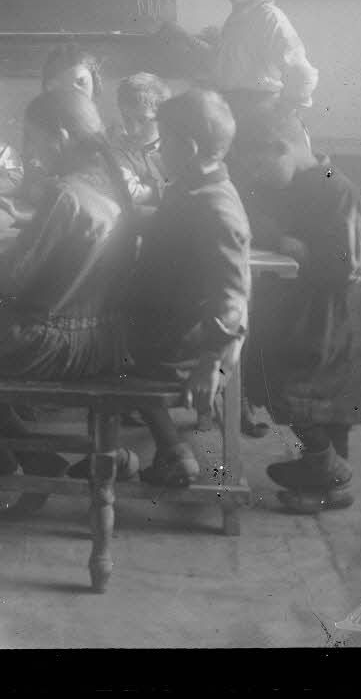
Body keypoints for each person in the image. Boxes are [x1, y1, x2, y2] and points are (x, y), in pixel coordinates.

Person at [0, 89, 137, 475]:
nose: (30, 151)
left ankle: (17, 454)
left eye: (32, 139)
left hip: (53, 342)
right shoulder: (110, 180)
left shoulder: (65, 193)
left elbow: (10, 279)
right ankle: (27, 456)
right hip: (104, 337)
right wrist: (22, 221)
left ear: (60, 137)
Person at [230, 108, 361, 512]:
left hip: (337, 318)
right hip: (314, 311)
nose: (257, 175)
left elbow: (352, 261)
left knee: (298, 388)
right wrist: (281, 237)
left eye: (260, 164)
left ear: (284, 149)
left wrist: (299, 249)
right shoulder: (295, 185)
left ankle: (328, 469)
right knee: (313, 396)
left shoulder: (340, 191)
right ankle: (326, 482)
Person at [126, 89, 252, 487]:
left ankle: (168, 451)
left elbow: (232, 296)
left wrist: (211, 361)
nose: (159, 148)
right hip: (168, 324)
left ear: (189, 147)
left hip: (179, 339)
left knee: (95, 346)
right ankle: (167, 448)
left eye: (164, 140)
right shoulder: (193, 188)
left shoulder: (217, 208)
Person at [160, 0, 318, 137]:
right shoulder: (238, 18)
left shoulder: (269, 17)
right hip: (236, 115)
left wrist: (281, 116)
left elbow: (303, 75)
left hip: (260, 119)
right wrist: (186, 38)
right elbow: (228, 67)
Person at [110, 72, 173, 206]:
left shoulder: (179, 144)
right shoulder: (119, 148)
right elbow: (131, 194)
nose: (133, 130)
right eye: (127, 119)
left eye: (142, 120)